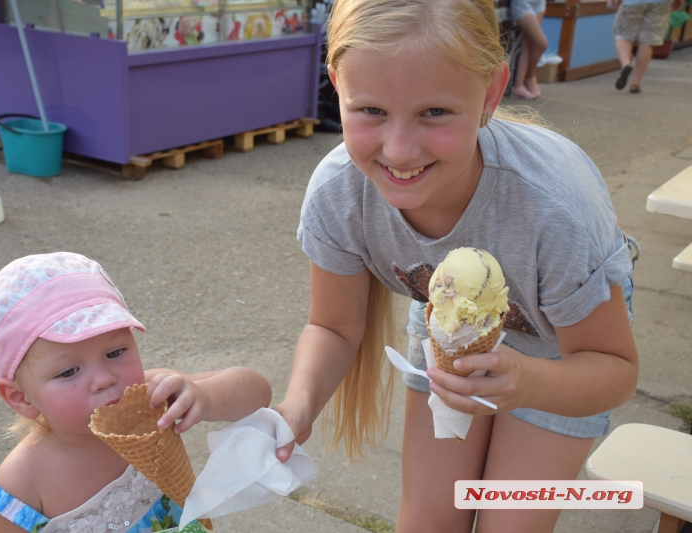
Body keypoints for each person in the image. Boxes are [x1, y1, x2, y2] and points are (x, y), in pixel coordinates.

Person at [272, 0, 639, 531]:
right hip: (449, 325)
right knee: (428, 519)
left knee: (508, 523)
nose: (398, 152)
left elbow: (615, 369)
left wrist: (528, 383)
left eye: (434, 112)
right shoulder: (339, 195)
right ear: (337, 82)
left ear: (490, 91)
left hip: (564, 351)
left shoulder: (557, 209)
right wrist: (298, 407)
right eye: (371, 110)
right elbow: (333, 324)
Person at [0, 252, 271, 533]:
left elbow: (257, 391)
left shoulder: (153, 397)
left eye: (115, 352)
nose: (104, 379)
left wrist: (205, 397)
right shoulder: (21, 486)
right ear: (21, 397)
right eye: (69, 371)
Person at [610, 0, 683, 93]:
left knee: (622, 36)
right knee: (646, 42)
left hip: (633, 3)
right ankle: (636, 83)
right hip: (661, 3)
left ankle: (626, 65)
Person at [509, 0, 549, 99]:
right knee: (541, 44)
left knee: (528, 44)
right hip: (523, 3)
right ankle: (529, 78)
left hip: (539, 2)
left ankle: (520, 84)